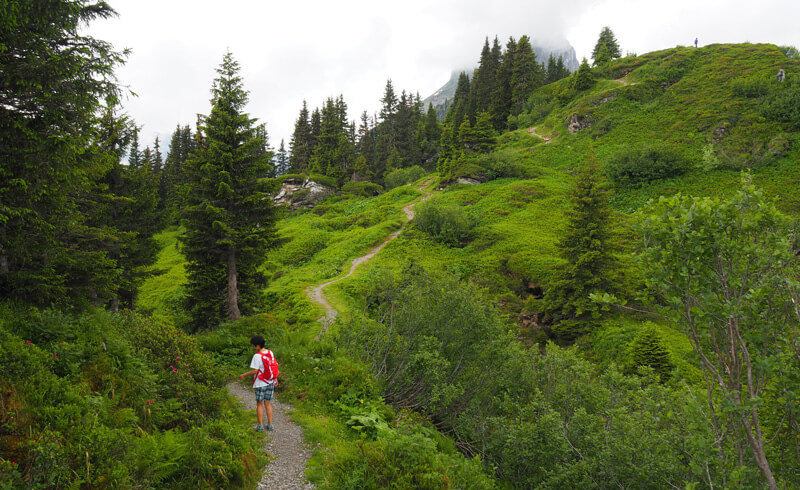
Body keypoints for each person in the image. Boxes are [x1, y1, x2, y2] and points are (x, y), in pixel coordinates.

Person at [238, 335, 277, 431]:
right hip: (270, 382)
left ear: (257, 346)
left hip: (260, 383)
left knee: (259, 404)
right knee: (268, 404)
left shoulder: (257, 356)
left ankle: (260, 426)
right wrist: (275, 378)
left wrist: (244, 375)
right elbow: (273, 366)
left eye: (253, 345)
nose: (253, 347)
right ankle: (270, 425)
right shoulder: (270, 352)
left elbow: (255, 371)